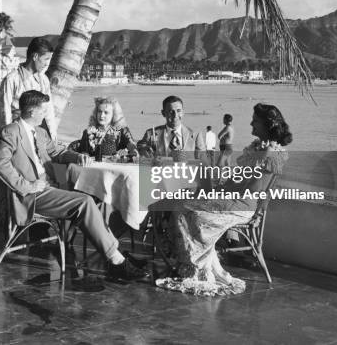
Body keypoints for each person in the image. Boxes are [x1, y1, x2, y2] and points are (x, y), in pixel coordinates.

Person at [0, 90, 149, 281]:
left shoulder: (40, 132)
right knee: (84, 202)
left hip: (49, 188)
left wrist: (77, 156)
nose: (45, 114)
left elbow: (56, 151)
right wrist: (26, 186)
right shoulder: (10, 132)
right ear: (32, 111)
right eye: (43, 110)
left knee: (99, 201)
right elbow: (1, 164)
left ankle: (115, 254)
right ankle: (117, 262)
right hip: (32, 195)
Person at [154, 103, 291, 296]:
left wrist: (226, 191)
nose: (251, 122)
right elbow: (243, 181)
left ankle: (194, 267)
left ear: (267, 124)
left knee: (187, 209)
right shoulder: (258, 149)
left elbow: (253, 190)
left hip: (242, 205)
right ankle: (194, 264)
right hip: (237, 199)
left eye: (255, 120)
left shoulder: (269, 153)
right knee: (184, 201)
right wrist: (223, 185)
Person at [0, 37, 57, 139]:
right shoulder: (12, 79)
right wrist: (7, 138)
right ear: (35, 56)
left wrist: (52, 133)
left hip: (39, 131)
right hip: (18, 131)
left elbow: (48, 109)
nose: (47, 63)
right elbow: (4, 111)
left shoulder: (44, 80)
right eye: (46, 59)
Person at [137, 95, 205, 158]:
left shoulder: (195, 135)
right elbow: (141, 147)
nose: (175, 115)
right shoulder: (151, 134)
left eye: (178, 111)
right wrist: (145, 151)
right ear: (163, 113)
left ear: (183, 112)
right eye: (171, 112)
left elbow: (203, 162)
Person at [73, 97, 138, 159]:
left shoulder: (121, 130)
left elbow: (130, 143)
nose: (102, 115)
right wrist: (85, 156)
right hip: (95, 166)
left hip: (116, 164)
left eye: (106, 112)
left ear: (114, 114)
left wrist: (133, 150)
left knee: (143, 166)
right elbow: (84, 153)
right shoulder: (89, 132)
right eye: (99, 111)